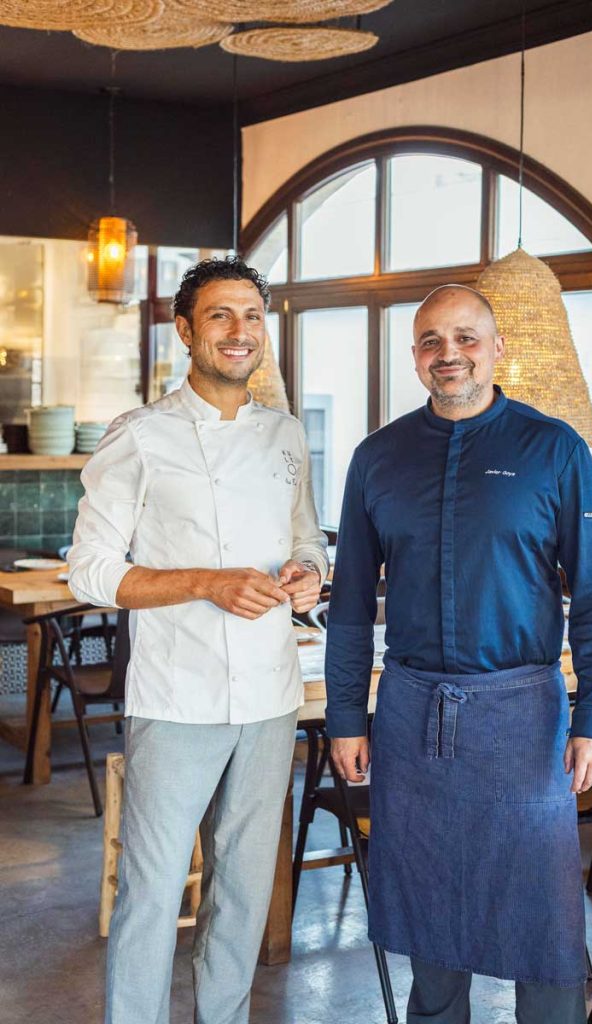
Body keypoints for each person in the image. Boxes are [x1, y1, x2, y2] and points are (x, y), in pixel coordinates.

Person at [325, 284, 592, 1024]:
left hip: (523, 721)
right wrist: (343, 716)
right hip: (409, 716)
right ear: (415, 356)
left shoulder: (553, 448)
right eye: (430, 340)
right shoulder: (376, 457)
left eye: (464, 338)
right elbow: (352, 602)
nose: (446, 353)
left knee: (542, 912)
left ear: (496, 349)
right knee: (428, 902)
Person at [68, 256, 328, 1024]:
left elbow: (306, 539)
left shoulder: (284, 435)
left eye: (250, 316)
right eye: (219, 316)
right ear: (185, 331)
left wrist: (309, 573)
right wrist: (205, 582)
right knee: (150, 893)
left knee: (244, 891)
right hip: (175, 698)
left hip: (269, 694)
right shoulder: (138, 436)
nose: (238, 331)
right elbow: (88, 570)